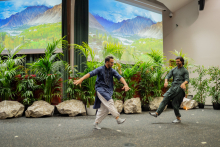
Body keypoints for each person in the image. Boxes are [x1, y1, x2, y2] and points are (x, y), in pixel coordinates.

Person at [74, 56, 130, 129]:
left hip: (108, 91)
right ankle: (117, 118)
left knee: (105, 109)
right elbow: (90, 73)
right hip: (101, 90)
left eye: (113, 62)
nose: (112, 64)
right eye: (111, 62)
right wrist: (81, 79)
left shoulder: (112, 71)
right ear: (107, 62)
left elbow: (120, 77)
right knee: (110, 101)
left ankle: (96, 123)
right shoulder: (100, 69)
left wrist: (125, 84)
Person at [149, 56, 189, 123]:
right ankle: (157, 113)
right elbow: (167, 76)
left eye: (178, 61)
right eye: (176, 61)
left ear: (182, 61)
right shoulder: (173, 70)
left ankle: (178, 118)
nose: (177, 62)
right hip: (173, 87)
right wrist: (166, 81)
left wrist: (184, 83)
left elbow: (187, 80)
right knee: (165, 98)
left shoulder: (185, 70)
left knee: (175, 103)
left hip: (180, 88)